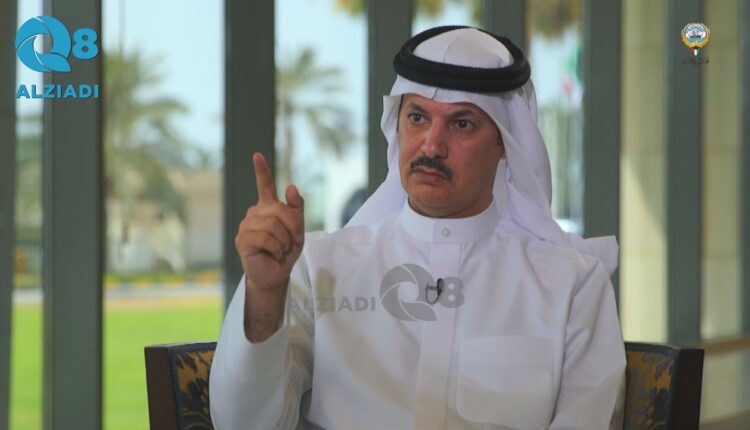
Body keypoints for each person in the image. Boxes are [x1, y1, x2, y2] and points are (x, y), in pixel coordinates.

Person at [210, 25, 625, 429]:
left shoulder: (572, 284)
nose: (432, 145)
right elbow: (243, 424)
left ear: (504, 143)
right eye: (417, 117)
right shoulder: (318, 265)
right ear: (397, 126)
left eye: (462, 124)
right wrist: (264, 294)